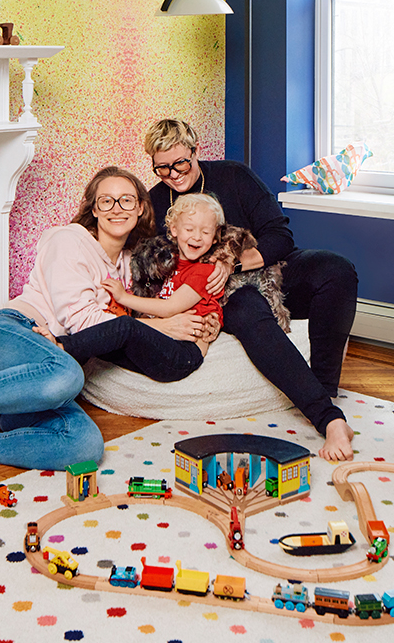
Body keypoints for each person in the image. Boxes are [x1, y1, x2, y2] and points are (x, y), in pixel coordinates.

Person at [0, 167, 212, 479]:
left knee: (85, 446)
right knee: (68, 374)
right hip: (6, 339)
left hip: (38, 383)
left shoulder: (133, 263)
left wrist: (214, 293)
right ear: (93, 208)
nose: (117, 209)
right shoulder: (67, 240)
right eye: (107, 201)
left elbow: (186, 271)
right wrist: (161, 327)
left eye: (127, 200)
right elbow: (86, 324)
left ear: (141, 207)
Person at [143, 118, 360, 461]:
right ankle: (328, 419)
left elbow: (280, 235)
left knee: (338, 270)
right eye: (162, 168)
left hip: (264, 268)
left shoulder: (234, 176)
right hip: (218, 292)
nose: (173, 174)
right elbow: (153, 265)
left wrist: (233, 262)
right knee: (246, 308)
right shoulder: (155, 202)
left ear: (195, 150)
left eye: (180, 163)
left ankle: (323, 390)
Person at [102, 193, 226, 357]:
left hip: (186, 350)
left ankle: (64, 347)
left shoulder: (204, 271)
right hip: (169, 336)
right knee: (111, 338)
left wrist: (123, 298)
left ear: (215, 237)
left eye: (205, 232)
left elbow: (169, 308)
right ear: (174, 229)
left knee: (122, 329)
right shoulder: (170, 263)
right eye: (189, 229)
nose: (197, 237)